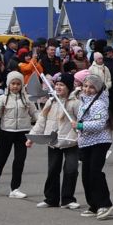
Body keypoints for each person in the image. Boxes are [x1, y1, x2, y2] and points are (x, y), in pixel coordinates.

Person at [0, 70, 40, 202]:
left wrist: (41, 124)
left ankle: (15, 189)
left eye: (18, 84)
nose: (15, 86)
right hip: (6, 132)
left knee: (19, 161)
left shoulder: (27, 98)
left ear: (21, 85)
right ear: (8, 85)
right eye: (13, 83)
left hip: (23, 133)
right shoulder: (3, 99)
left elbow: (35, 113)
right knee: (0, 159)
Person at [34, 74, 81, 208]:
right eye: (57, 84)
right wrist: (33, 136)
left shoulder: (75, 102)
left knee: (71, 170)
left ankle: (68, 199)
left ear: (69, 86)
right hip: (54, 140)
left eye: (62, 85)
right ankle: (51, 199)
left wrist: (77, 125)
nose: (59, 87)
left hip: (70, 141)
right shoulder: (51, 101)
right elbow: (42, 120)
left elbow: (81, 120)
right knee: (53, 169)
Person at [75, 69, 113, 218]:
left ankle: (105, 204)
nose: (87, 89)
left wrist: (80, 126)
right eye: (85, 86)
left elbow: (99, 123)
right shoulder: (83, 101)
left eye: (91, 87)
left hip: (100, 141)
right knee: (86, 174)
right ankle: (93, 204)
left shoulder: (100, 103)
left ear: (98, 89)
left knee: (95, 172)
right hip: (86, 142)